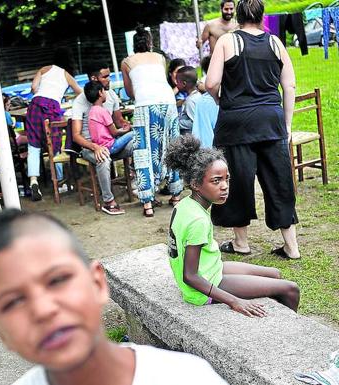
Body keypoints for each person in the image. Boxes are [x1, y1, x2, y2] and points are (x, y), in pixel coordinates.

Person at [0, 209, 229, 385]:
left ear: (97, 282)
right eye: (13, 302)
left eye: (58, 280)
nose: (42, 310)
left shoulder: (187, 378)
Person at [206, 0, 300, 259]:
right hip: (271, 121)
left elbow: (211, 82)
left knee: (236, 180)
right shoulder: (275, 43)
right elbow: (289, 86)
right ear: (263, 16)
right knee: (280, 181)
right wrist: (287, 124)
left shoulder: (227, 41)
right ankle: (291, 246)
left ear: (238, 16)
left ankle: (241, 243)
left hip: (236, 122)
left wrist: (221, 100)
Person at [164, 135, 300, 315]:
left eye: (226, 179)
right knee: (290, 289)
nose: (224, 186)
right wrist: (235, 301)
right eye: (216, 181)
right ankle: (285, 333)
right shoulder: (198, 221)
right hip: (204, 286)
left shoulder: (184, 205)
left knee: (274, 273)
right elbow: (190, 276)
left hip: (211, 268)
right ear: (196, 184)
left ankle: (272, 319)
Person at [121, 27, 182, 217]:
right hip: (168, 102)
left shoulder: (126, 62)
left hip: (145, 105)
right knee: (172, 146)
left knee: (144, 151)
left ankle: (147, 202)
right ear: (150, 42)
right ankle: (176, 195)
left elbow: (130, 92)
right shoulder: (160, 58)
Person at [71, 64, 132, 215]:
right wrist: (95, 147)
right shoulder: (79, 101)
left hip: (111, 143)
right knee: (103, 158)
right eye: (105, 76)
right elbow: (76, 135)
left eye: (109, 75)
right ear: (94, 78)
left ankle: (142, 185)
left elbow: (118, 122)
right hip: (90, 147)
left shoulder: (111, 95)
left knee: (138, 143)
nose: (109, 79)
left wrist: (126, 125)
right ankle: (109, 202)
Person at [25, 47, 83, 201]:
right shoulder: (67, 75)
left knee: (33, 144)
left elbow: (33, 88)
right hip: (52, 108)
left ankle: (33, 180)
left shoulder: (44, 69)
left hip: (35, 105)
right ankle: (59, 180)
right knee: (54, 144)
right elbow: (81, 92)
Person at [84, 82, 133, 159]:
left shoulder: (91, 111)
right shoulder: (103, 111)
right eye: (104, 91)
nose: (105, 93)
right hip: (111, 147)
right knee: (135, 132)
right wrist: (127, 130)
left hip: (101, 147)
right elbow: (114, 133)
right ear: (100, 93)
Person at [175, 66, 202, 136]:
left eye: (177, 81)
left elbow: (194, 122)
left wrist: (176, 122)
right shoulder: (198, 96)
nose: (176, 84)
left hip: (192, 138)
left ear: (184, 84)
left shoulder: (190, 101)